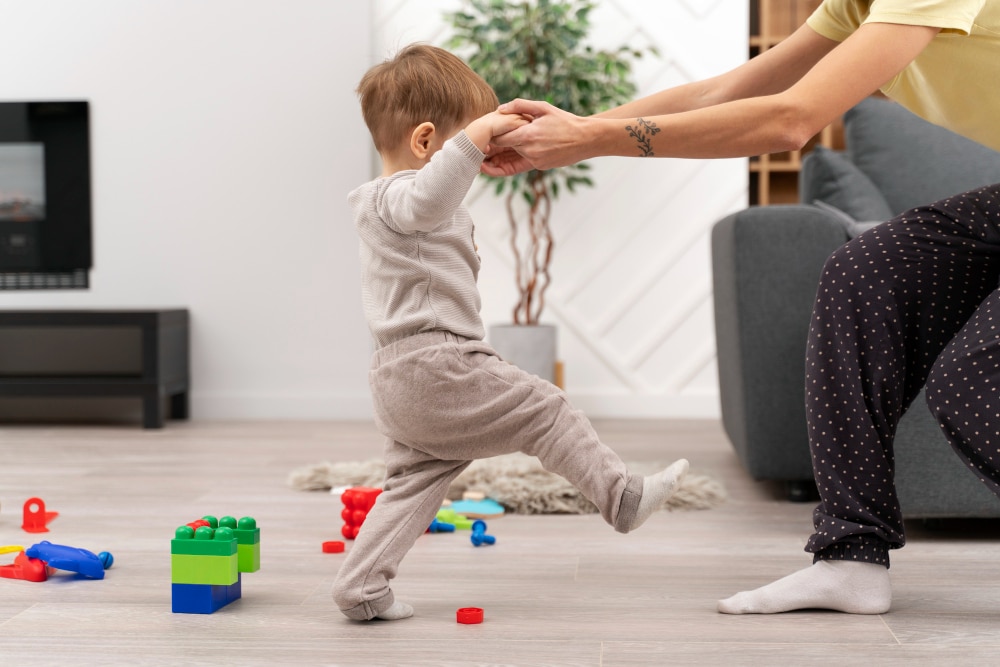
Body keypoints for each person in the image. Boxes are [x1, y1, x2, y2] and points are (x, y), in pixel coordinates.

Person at [487, 0, 1000, 615]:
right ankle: (851, 557)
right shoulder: (853, 6)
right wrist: (578, 132)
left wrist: (589, 136)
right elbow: (729, 91)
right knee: (863, 271)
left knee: (975, 382)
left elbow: (791, 120)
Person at [335, 43, 690, 622]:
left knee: (412, 485)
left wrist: (478, 145)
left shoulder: (391, 209)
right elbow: (429, 197)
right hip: (437, 363)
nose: (473, 164)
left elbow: (436, 207)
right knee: (545, 409)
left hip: (398, 377)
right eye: (462, 149)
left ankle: (361, 587)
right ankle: (620, 497)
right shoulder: (398, 197)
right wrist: (473, 142)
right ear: (425, 144)